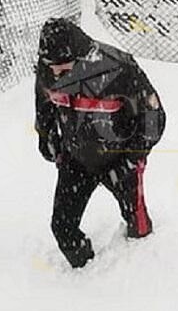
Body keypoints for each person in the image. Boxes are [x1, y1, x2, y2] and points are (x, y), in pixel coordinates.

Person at [35, 18, 166, 268]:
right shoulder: (48, 68)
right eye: (50, 67)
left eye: (63, 68)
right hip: (76, 158)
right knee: (62, 228)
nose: (54, 73)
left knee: (138, 227)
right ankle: (86, 275)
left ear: (81, 59)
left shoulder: (119, 68)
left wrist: (134, 157)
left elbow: (154, 117)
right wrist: (48, 139)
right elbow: (44, 106)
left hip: (119, 157)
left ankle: (138, 271)